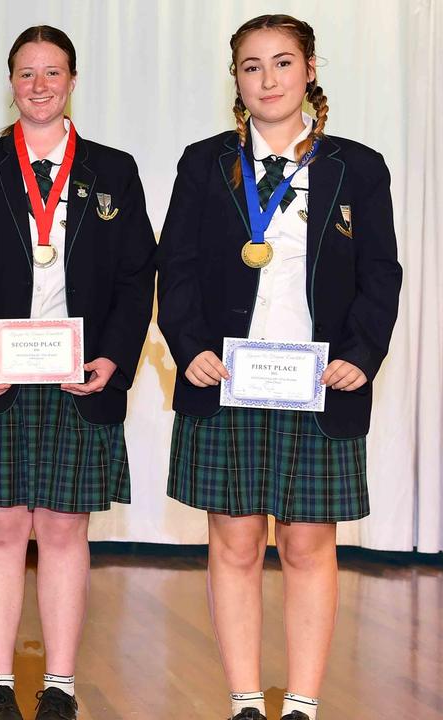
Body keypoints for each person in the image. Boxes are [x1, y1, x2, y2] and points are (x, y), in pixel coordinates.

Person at [156, 14, 402, 720]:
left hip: (321, 383)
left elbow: (382, 274)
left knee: (305, 543)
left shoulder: (359, 165)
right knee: (232, 542)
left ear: (311, 69)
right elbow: (176, 268)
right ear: (234, 78)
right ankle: (242, 702)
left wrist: (361, 354)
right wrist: (190, 344)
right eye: (252, 66)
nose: (268, 79)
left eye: (283, 63)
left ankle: (300, 704)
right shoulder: (205, 162)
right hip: (226, 379)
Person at [0, 25, 156, 720]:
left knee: (61, 530)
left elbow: (136, 274)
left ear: (73, 81)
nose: (39, 86)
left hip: (77, 379)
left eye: (52, 73)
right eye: (26, 74)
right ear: (12, 83)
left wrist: (114, 358)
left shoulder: (113, 170)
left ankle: (60, 686)